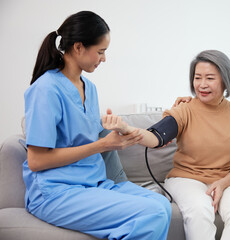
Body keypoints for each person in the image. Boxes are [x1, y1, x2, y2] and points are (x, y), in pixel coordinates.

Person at [23, 11, 171, 240]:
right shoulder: (45, 89)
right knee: (151, 213)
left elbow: (82, 132)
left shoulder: (89, 88)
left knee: (162, 204)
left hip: (93, 184)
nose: (104, 59)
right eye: (100, 52)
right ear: (79, 47)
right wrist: (102, 145)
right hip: (56, 191)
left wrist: (113, 128)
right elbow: (36, 161)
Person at [103, 50, 230, 240]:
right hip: (186, 179)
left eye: (210, 78)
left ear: (225, 79)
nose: (202, 84)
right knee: (200, 210)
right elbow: (155, 137)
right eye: (197, 77)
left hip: (227, 179)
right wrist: (125, 128)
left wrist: (222, 184)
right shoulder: (185, 110)